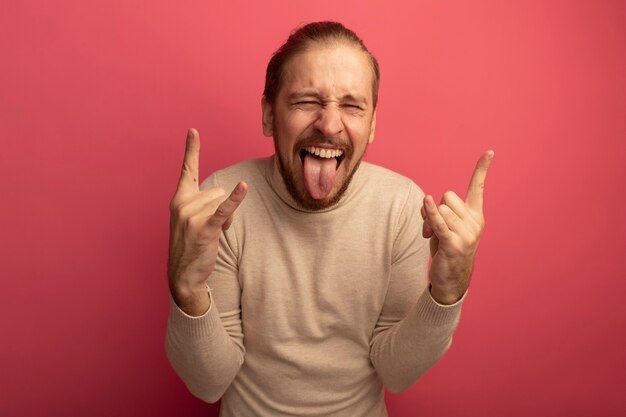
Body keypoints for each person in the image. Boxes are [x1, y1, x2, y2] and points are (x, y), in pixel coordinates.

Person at [165, 21, 494, 417]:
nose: (330, 124)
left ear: (372, 125)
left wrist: (447, 292)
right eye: (306, 101)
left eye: (352, 106)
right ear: (269, 115)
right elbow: (209, 383)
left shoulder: (402, 205)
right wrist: (187, 288)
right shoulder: (222, 204)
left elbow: (396, 372)